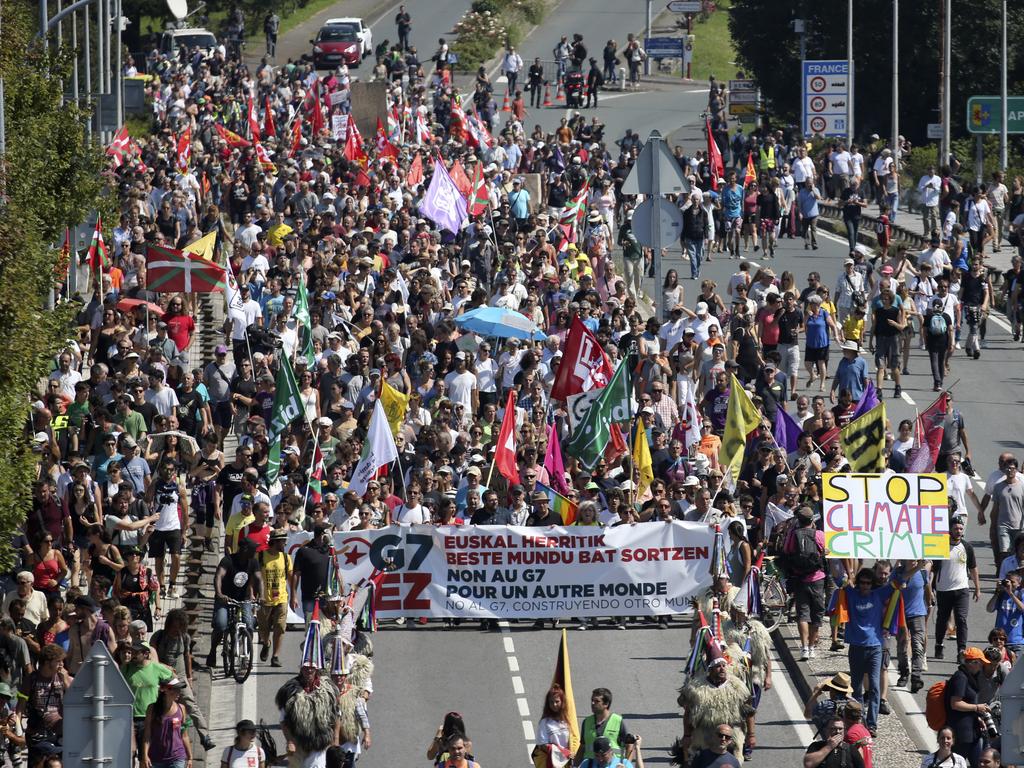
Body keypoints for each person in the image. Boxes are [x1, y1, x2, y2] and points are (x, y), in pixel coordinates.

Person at [842, 566, 895, 735]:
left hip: (875, 647)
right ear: (858, 584)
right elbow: (837, 577)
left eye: (868, 583)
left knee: (874, 687)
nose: (865, 586)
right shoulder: (851, 594)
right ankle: (860, 720)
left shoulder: (878, 595)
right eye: (862, 583)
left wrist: (918, 566)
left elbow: (899, 580)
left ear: (872, 584)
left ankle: (871, 724)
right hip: (856, 648)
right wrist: (832, 557)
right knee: (856, 688)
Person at [933, 519, 980, 660]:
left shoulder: (967, 547)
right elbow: (933, 569)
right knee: (942, 619)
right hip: (944, 589)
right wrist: (930, 588)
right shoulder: (941, 546)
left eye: (961, 529)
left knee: (961, 619)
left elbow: (973, 568)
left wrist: (977, 588)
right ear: (950, 530)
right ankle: (939, 644)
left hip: (962, 589)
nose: (959, 531)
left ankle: (961, 651)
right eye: (956, 529)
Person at [784, 507, 826, 661]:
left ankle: (804, 648)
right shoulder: (819, 535)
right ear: (812, 520)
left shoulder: (793, 535)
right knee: (817, 614)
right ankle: (812, 646)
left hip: (799, 578)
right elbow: (824, 551)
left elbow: (787, 550)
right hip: (817, 578)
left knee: (802, 614)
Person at [945, 648, 989, 768]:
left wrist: (978, 718)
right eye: (981, 663)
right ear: (972, 663)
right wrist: (976, 707)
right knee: (956, 765)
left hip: (972, 731)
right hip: (961, 733)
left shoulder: (969, 677)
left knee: (981, 764)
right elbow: (955, 704)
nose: (982, 667)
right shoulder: (961, 678)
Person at [576, 688, 634, 763]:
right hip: (590, 765)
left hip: (612, 765)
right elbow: (582, 747)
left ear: (606, 704)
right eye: (592, 700)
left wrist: (626, 764)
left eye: (597, 701)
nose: (592, 703)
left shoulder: (617, 721)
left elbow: (629, 746)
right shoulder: (587, 722)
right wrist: (575, 764)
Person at [803, 673, 853, 737]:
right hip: (852, 737)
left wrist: (815, 693)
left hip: (832, 740)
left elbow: (807, 714)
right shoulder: (854, 703)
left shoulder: (825, 705)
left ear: (831, 690)